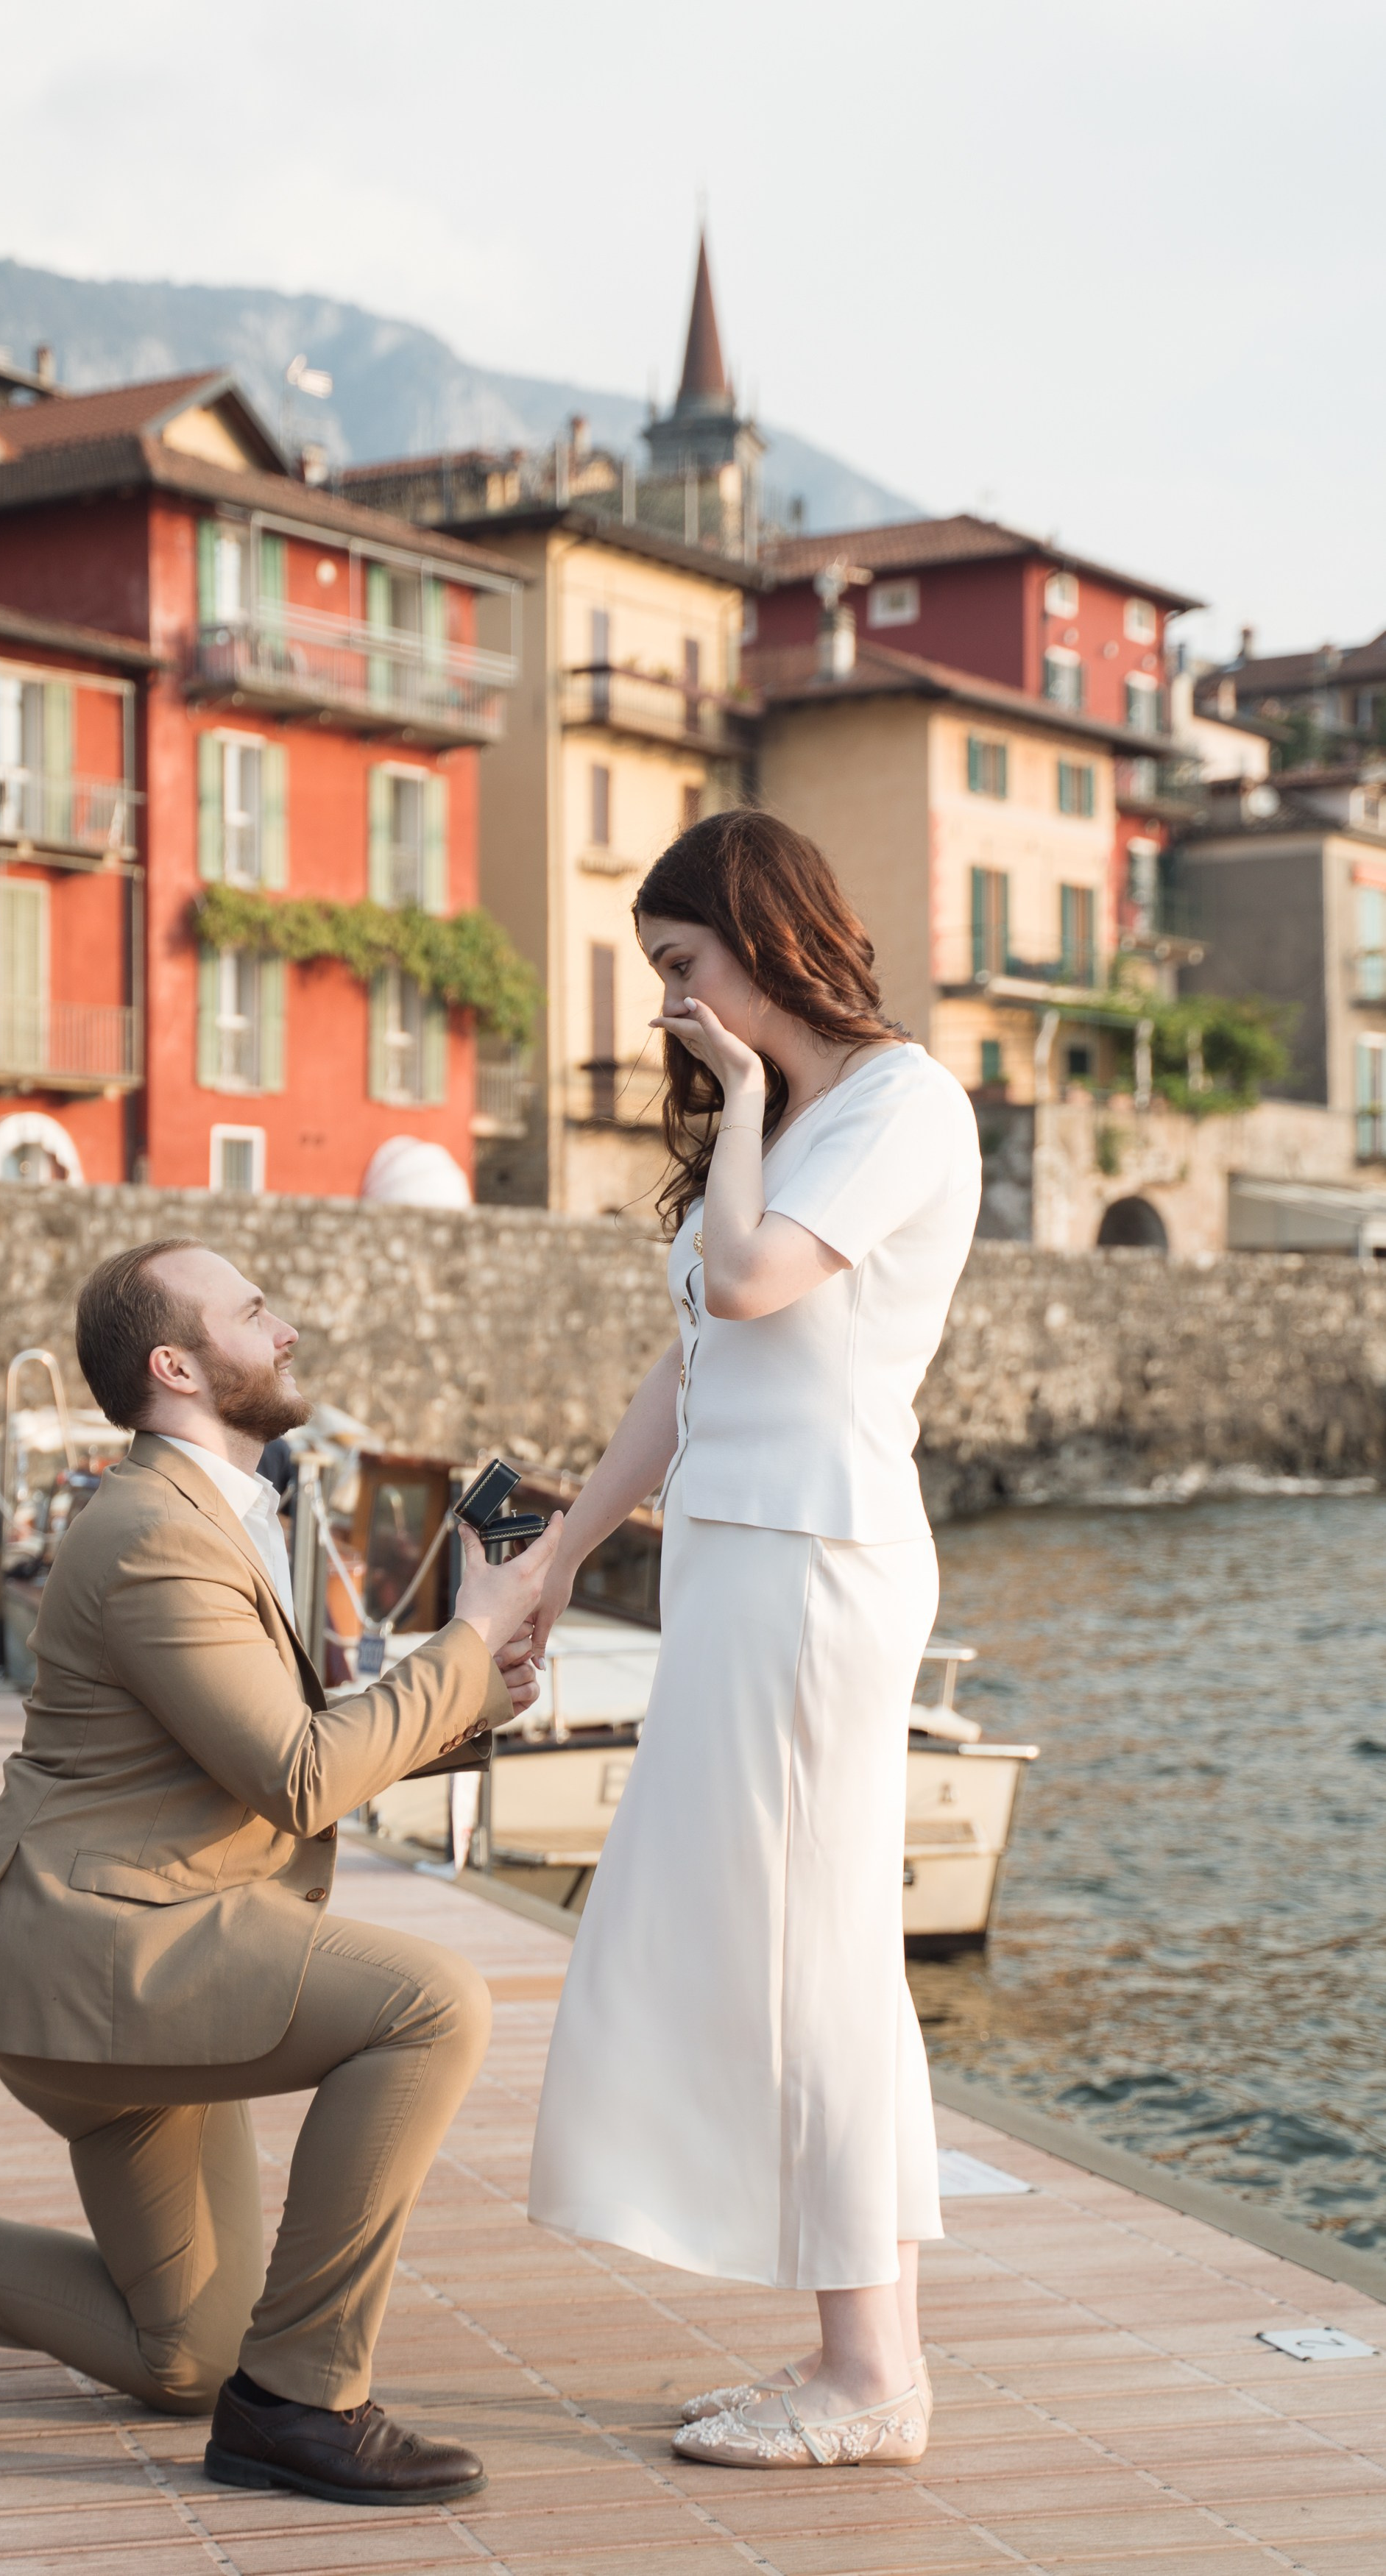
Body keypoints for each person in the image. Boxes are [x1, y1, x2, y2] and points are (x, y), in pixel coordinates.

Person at [0, 1238, 558, 2508]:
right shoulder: (151, 1535)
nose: (283, 1333)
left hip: (154, 1939)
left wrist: (469, 1699)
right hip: (101, 1958)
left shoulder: (219, 1514)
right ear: (175, 1365)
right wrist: (468, 1634)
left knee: (185, 2354)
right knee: (434, 2003)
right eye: (254, 1312)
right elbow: (294, 1776)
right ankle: (303, 2402)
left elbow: (271, 1760)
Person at [526, 809, 981, 2471]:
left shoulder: (898, 1102)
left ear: (761, 938)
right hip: (740, 1558)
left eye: (678, 965)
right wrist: (566, 1553)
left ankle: (872, 2374)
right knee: (771, 1944)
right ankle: (850, 2353)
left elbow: (751, 1284)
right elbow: (682, 1371)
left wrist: (730, 1106)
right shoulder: (791, 1116)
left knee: (818, 1952)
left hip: (816, 1560)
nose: (663, 1005)